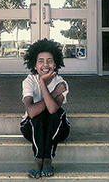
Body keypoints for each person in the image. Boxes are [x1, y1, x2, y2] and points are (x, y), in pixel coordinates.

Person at [20, 38, 70, 179]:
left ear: (55, 64)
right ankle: (39, 160)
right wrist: (45, 85)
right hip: (32, 128)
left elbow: (54, 109)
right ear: (35, 65)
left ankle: (46, 159)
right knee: (38, 115)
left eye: (50, 60)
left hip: (57, 128)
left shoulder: (61, 82)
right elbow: (31, 111)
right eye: (40, 61)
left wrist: (45, 87)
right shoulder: (29, 81)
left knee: (56, 113)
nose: (45, 64)